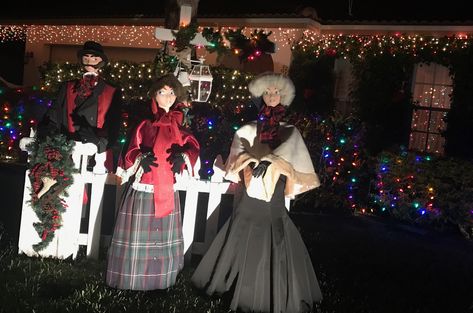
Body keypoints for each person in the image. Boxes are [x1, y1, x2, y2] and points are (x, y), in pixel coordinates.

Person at [191, 72, 322, 313]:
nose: (272, 96)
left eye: (276, 92)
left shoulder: (289, 130)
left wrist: (271, 161)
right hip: (250, 186)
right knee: (242, 223)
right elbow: (239, 150)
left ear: (283, 96)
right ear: (261, 95)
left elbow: (291, 155)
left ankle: (273, 284)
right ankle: (231, 278)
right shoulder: (249, 128)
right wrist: (252, 161)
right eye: (268, 92)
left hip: (273, 190)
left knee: (274, 225)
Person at [106, 74, 200, 291]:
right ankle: (134, 278)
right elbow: (131, 147)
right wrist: (140, 157)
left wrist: (183, 157)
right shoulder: (145, 124)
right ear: (154, 95)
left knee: (163, 233)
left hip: (167, 185)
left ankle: (161, 279)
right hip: (146, 184)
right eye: (162, 92)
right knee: (140, 231)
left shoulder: (179, 124)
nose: (167, 97)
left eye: (171, 93)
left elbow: (192, 145)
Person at [38, 40, 122, 172]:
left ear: (101, 61)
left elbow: (114, 124)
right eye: (86, 58)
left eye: (94, 58)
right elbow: (54, 114)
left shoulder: (111, 91)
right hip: (67, 150)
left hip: (95, 152)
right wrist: (50, 135)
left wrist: (101, 143)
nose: (89, 61)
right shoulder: (68, 87)